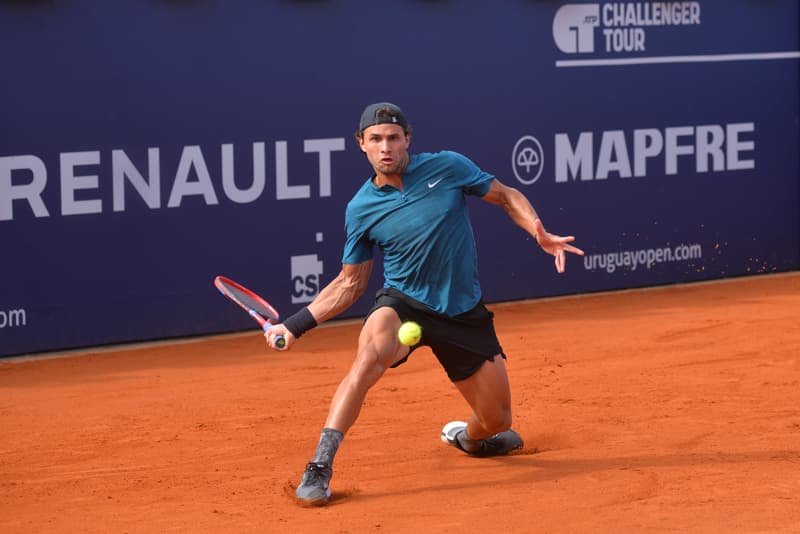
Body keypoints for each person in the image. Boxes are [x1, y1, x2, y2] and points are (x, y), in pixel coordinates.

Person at [265, 102, 584, 506]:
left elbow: (505, 196)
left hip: (463, 313)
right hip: (404, 305)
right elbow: (350, 284)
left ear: (407, 140)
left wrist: (536, 229)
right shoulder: (361, 209)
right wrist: (292, 326)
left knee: (498, 421)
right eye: (376, 139)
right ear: (361, 144)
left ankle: (468, 440)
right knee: (368, 358)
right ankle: (320, 466)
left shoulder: (447, 167)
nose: (386, 148)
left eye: (393, 138)